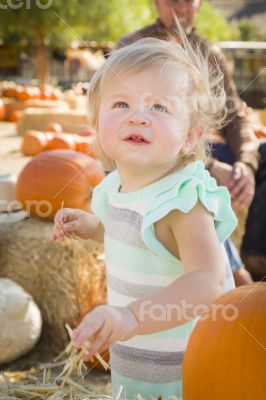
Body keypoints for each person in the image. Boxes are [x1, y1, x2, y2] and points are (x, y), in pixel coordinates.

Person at [52, 36, 237, 399]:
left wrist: (131, 317)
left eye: (159, 107)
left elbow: (209, 281)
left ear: (191, 137)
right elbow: (133, 233)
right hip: (136, 364)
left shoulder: (182, 202)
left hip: (187, 373)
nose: (137, 116)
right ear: (97, 124)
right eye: (121, 103)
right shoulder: (113, 186)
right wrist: (94, 228)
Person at [115, 0, 257, 285]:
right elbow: (137, 125)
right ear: (157, 3)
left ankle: (257, 255)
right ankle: (236, 276)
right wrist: (209, 164)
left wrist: (246, 164)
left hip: (199, 146)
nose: (180, 6)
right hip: (150, 155)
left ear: (199, 5)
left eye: (188, 0)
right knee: (186, 184)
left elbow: (234, 115)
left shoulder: (209, 52)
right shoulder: (133, 48)